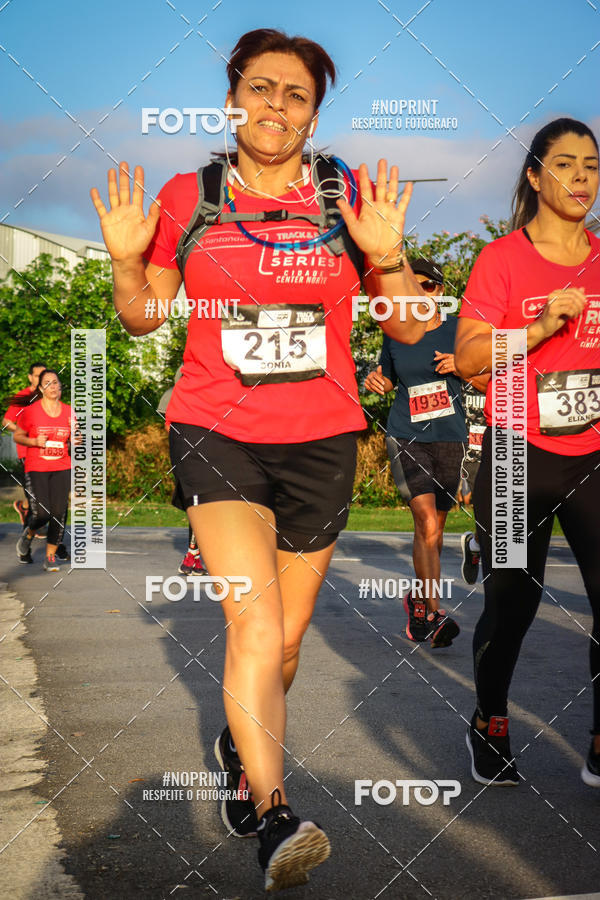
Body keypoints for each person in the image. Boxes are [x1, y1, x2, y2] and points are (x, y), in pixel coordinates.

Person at [91, 27, 430, 891]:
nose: (277, 106)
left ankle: (238, 748)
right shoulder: (190, 196)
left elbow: (406, 330)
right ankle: (276, 815)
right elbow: (144, 318)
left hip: (321, 439)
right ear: (233, 95)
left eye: (298, 95)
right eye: (263, 87)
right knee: (252, 624)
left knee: (283, 645)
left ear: (315, 115)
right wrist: (130, 266)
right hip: (217, 431)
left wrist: (387, 256)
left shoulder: (347, 195)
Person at [455, 117, 600, 787]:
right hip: (515, 458)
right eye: (566, 164)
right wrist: (540, 327)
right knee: (512, 605)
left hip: (592, 456)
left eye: (592, 166)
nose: (582, 178)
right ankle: (490, 722)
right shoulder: (501, 260)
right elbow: (469, 359)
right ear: (536, 176)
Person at [365, 258, 488, 646]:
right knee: (426, 523)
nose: (420, 293)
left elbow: (491, 382)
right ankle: (434, 614)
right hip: (407, 435)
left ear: (439, 290)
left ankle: (419, 604)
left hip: (451, 437)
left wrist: (463, 368)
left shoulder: (458, 331)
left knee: (435, 531)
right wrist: (375, 380)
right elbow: (383, 378)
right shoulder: (395, 333)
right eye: (411, 286)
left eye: (428, 286)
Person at [12, 370, 74, 572]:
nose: (53, 387)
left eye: (56, 382)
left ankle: (50, 555)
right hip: (37, 466)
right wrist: (33, 441)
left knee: (59, 512)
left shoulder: (68, 410)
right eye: (48, 383)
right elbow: (18, 436)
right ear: (40, 389)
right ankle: (29, 534)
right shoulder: (31, 411)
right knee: (42, 512)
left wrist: (76, 439)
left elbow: (74, 435)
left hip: (62, 465)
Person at [157, 369, 207, 576]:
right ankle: (192, 556)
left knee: (202, 506)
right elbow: (173, 431)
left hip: (202, 455)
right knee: (199, 504)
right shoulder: (177, 401)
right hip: (192, 457)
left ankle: (193, 557)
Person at [3, 362, 46, 529]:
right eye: (37, 376)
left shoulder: (50, 396)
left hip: (47, 450)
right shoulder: (23, 397)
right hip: (27, 450)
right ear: (30, 377)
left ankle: (24, 507)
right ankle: (35, 526)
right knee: (35, 488)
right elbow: (6, 422)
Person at [459, 377, 489, 584]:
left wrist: (464, 368)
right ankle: (478, 545)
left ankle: (475, 545)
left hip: (505, 439)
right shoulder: (453, 350)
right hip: (470, 449)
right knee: (489, 512)